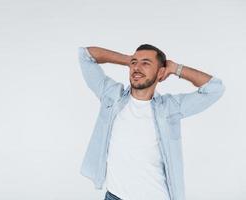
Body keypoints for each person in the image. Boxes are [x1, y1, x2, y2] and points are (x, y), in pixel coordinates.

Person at [78, 44, 225, 200]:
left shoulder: (170, 108)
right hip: (114, 196)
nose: (137, 67)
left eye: (146, 63)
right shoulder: (112, 96)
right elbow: (85, 55)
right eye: (135, 63)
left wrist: (176, 68)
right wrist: (128, 60)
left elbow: (215, 88)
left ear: (160, 72)